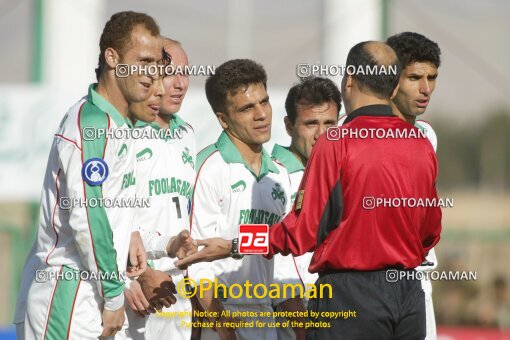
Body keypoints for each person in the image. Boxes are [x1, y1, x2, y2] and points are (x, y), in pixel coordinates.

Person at [176, 41, 442, 340]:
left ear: (349, 80)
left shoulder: (336, 143)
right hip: (409, 295)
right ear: (393, 89)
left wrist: (235, 245)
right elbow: (431, 231)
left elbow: (300, 232)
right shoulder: (421, 144)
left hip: (352, 298)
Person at [14, 11, 166, 339]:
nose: (152, 73)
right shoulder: (92, 124)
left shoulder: (119, 125)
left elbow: (109, 208)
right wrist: (113, 295)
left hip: (93, 292)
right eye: (142, 61)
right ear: (112, 57)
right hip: (69, 295)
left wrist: (131, 235)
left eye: (156, 63)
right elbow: (88, 215)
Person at [189, 59, 305, 340]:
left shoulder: (279, 173)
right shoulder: (207, 168)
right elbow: (196, 261)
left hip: (265, 317)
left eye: (264, 102)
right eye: (246, 108)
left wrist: (302, 331)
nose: (261, 114)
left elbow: (282, 260)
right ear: (223, 119)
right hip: (221, 317)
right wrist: (224, 328)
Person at [121, 38, 197, 340]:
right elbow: (106, 215)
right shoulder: (124, 131)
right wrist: (135, 276)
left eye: (186, 73)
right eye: (170, 73)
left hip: (175, 287)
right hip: (136, 287)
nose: (179, 84)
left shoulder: (187, 133)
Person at [271, 77, 341, 340]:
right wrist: (302, 328)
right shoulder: (270, 176)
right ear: (289, 126)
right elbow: (276, 264)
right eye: (311, 123)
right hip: (291, 322)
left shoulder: (345, 174)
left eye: (329, 124)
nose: (321, 135)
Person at [386, 31, 442, 340]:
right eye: (415, 77)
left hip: (417, 281)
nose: (425, 89)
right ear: (391, 80)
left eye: (431, 77)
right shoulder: (348, 132)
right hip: (364, 284)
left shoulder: (428, 136)